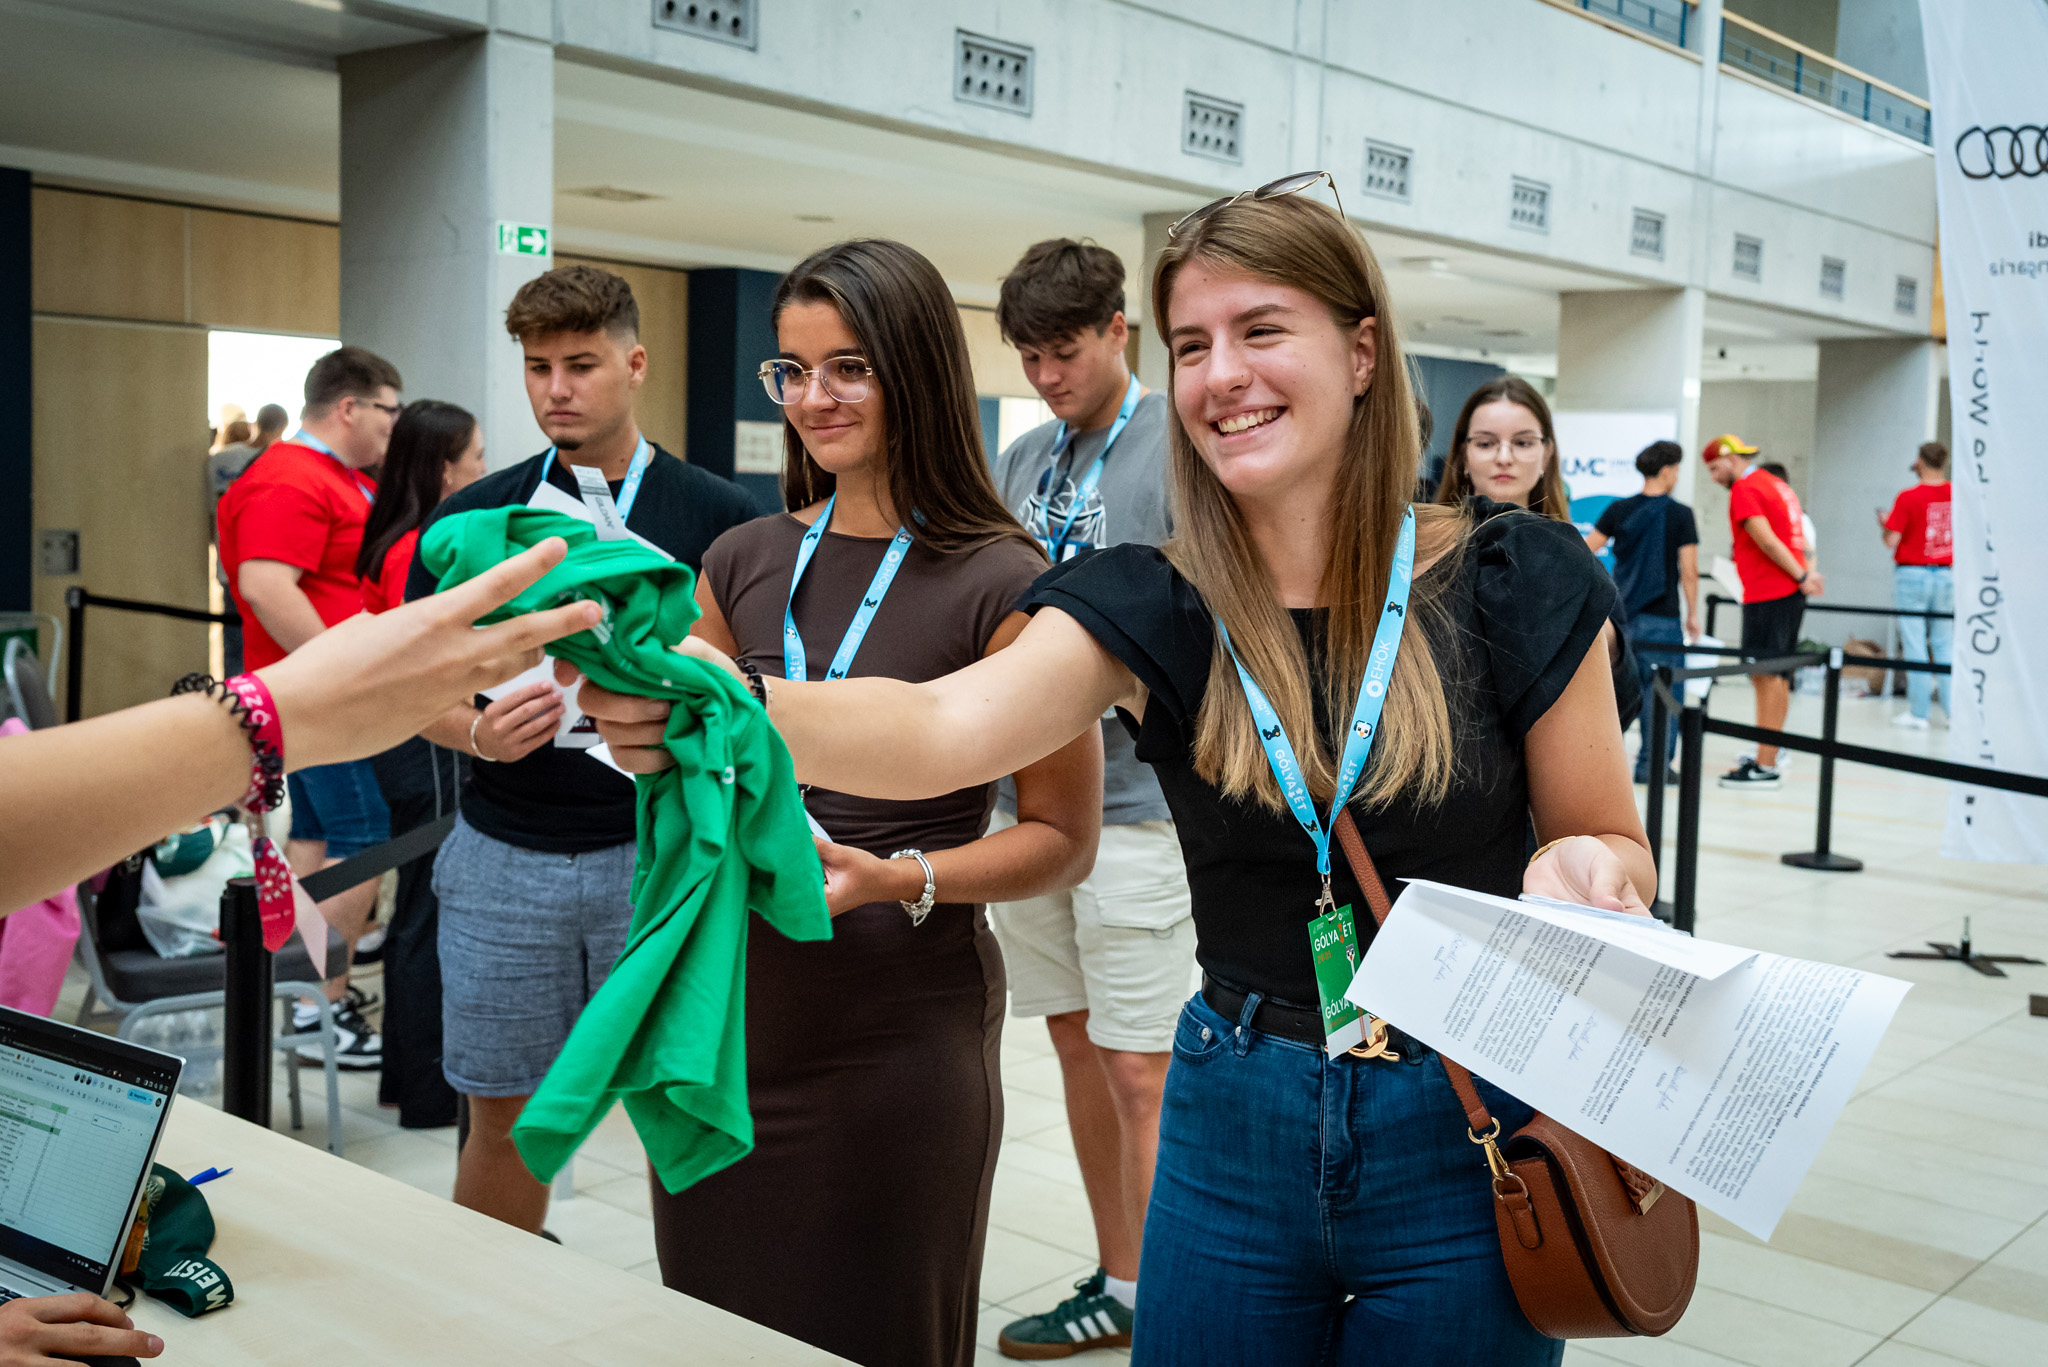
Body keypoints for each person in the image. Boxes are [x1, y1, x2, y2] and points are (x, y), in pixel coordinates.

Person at [580, 183, 1654, 1367]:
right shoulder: (1152, 597)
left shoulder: (1513, 575)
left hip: (1460, 1110)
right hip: (1235, 1103)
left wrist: (1588, 865)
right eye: (1192, 345)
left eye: (1259, 330)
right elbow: (942, 726)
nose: (1219, 374)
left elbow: (1603, 833)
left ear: (1359, 352)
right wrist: (720, 704)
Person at [651, 238, 1100, 1367]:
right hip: (726, 1020)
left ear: (914, 372)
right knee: (715, 1328)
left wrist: (902, 877)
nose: (813, 398)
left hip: (893, 1030)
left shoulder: (1005, 575)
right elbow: (679, 751)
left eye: (847, 366)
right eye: (791, 370)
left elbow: (1060, 838)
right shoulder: (745, 555)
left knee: (879, 1332)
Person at [401, 264, 756, 1231]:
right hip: (505, 853)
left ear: (635, 365)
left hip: (662, 860)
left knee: (688, 1115)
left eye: (582, 364)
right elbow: (404, 689)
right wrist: (475, 729)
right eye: (538, 366)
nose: (557, 387)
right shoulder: (478, 521)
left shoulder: (720, 516)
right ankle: (489, 1324)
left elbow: (756, 699)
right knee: (505, 1115)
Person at [983, 238, 1192, 1357]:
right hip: (1033, 808)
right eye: (1027, 355)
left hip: (1140, 806)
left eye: (1064, 351)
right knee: (1071, 1043)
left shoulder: (1177, 445)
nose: (1047, 376)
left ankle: (1175, 1303)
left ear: (1119, 329)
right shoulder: (1021, 460)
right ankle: (1120, 1276)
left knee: (1137, 1063)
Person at [216, 346, 404, 1067]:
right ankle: (315, 1004)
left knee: (324, 834)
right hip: (318, 694)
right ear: (349, 407)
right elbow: (266, 585)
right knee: (366, 829)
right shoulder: (291, 475)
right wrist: (346, 669)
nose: (396, 423)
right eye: (389, 408)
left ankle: (306, 996)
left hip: (321, 691)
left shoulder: (337, 476)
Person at [354, 400, 490, 1128]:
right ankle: (426, 1089)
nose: (483, 471)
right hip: (426, 740)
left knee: (416, 905)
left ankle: (404, 1078)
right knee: (425, 911)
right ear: (445, 466)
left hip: (405, 738)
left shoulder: (395, 537)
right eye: (476, 457)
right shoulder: (421, 546)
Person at [1702, 434, 1822, 789]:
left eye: (1713, 468)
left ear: (1729, 459)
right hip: (1786, 592)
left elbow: (1766, 539)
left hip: (1769, 592)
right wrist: (1805, 575)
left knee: (1764, 675)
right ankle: (1769, 754)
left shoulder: (1746, 488)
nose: (1713, 477)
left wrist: (1801, 575)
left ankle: (1765, 764)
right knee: (1777, 676)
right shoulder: (1776, 484)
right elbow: (1802, 540)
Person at [1586, 440, 1699, 783]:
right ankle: (1652, 767)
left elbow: (1586, 549)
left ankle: (1601, 766)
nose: (1677, 476)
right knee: (1663, 695)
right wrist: (1693, 614)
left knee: (1613, 692)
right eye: (1677, 469)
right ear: (1666, 471)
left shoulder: (1618, 509)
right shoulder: (1680, 514)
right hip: (1661, 620)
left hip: (1619, 617)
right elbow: (1689, 570)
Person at [211, 403, 291, 675]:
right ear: (282, 427)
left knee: (233, 643)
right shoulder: (282, 461)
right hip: (273, 567)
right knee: (268, 647)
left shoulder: (220, 460)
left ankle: (234, 704)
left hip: (229, 563)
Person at [1879, 442, 1952, 730]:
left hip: (1912, 574)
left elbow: (1891, 540)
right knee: (1944, 645)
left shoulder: (1909, 497)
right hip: (1946, 573)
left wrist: (1886, 524)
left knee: (1915, 643)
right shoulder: (1956, 495)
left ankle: (1919, 712)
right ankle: (1952, 712)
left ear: (1919, 462)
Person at [1433, 374, 1570, 520]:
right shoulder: (1426, 540)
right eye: (1485, 444)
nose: (1504, 458)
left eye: (1522, 443)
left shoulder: (1566, 542)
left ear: (1546, 454)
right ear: (1464, 455)